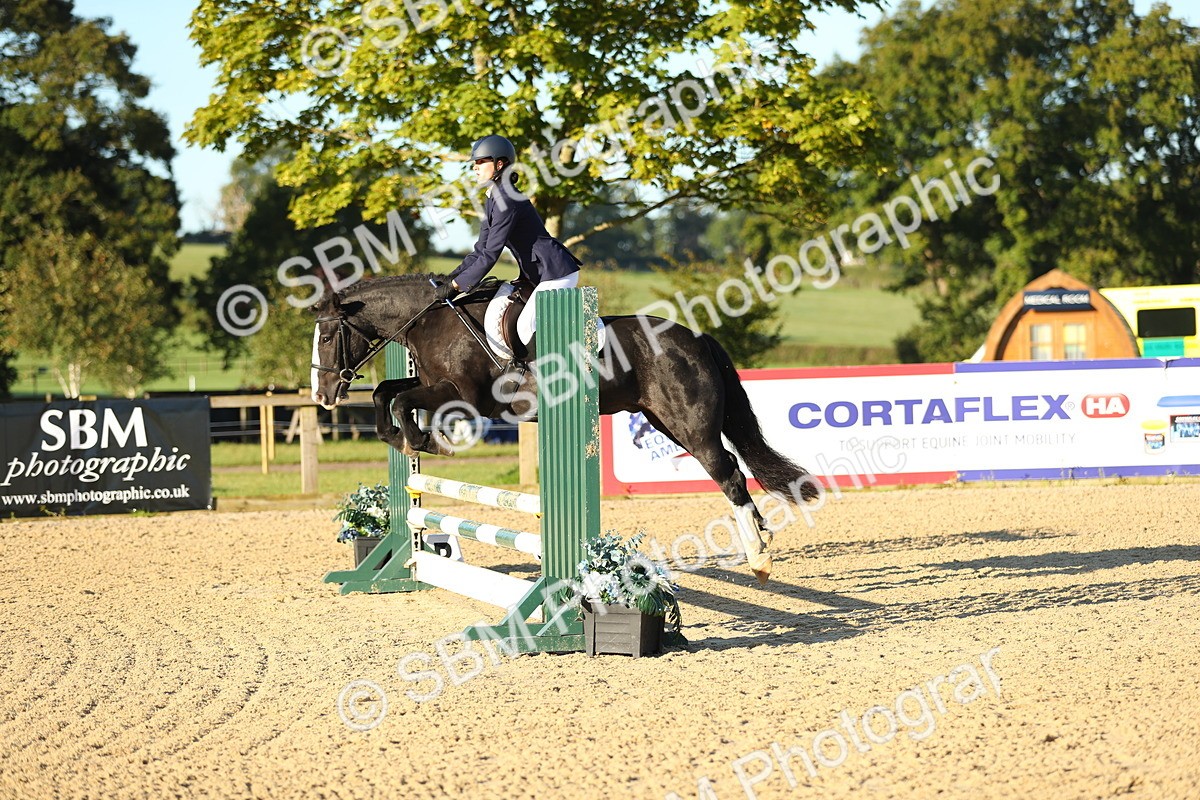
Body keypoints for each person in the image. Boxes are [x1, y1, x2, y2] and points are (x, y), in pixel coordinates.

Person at [434, 135, 582, 374]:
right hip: (536, 275)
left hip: (555, 272)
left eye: (481, 161)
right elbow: (480, 249)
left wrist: (457, 286)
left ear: (499, 164)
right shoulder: (494, 198)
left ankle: (549, 381)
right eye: (475, 162)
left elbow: (491, 255)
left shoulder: (507, 199)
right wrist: (451, 277)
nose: (475, 167)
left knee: (525, 326)